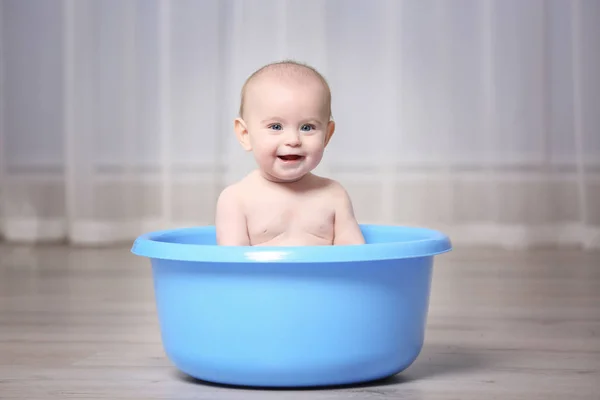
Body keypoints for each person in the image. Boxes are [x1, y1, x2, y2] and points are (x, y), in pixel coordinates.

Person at [215, 60, 365, 247]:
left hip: (322, 278)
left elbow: (355, 257)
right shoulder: (236, 199)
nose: (293, 140)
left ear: (327, 135)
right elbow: (232, 265)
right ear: (245, 135)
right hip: (261, 278)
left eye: (307, 127)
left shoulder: (334, 195)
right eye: (276, 126)